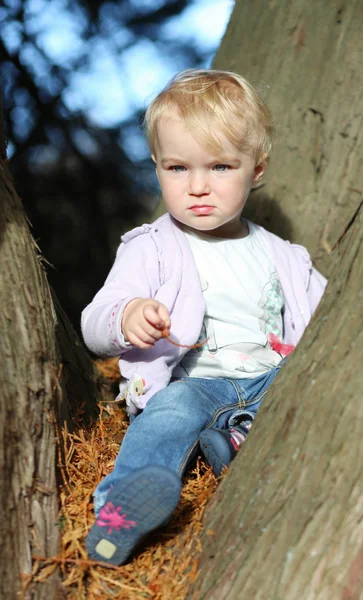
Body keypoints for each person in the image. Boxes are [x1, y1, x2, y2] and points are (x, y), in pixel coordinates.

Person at [81, 69, 327, 565]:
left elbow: (324, 322)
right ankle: (121, 511)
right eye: (177, 168)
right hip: (197, 382)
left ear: (256, 170)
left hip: (271, 378)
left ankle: (234, 438)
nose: (197, 186)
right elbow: (94, 320)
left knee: (287, 402)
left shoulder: (285, 256)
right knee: (168, 416)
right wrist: (127, 314)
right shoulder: (152, 247)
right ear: (157, 167)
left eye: (219, 167)